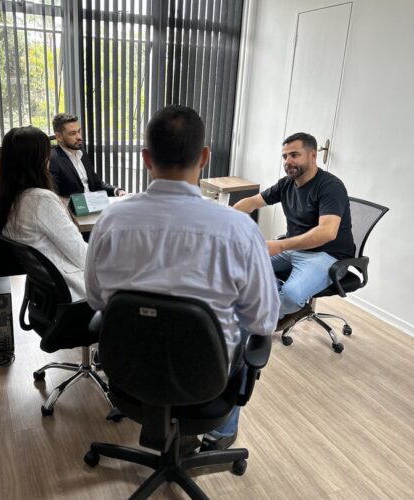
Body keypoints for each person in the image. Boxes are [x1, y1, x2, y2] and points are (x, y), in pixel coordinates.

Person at [85, 105, 279, 452]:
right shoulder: (239, 230)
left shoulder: (110, 222)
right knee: (247, 325)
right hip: (208, 378)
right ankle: (218, 435)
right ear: (204, 157)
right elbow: (264, 318)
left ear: (146, 158)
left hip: (129, 372)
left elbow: (97, 301)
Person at [234, 132, 355, 330]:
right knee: (238, 266)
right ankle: (279, 302)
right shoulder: (286, 184)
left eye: (294, 155)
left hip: (329, 256)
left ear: (312, 156)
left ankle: (285, 306)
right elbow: (252, 202)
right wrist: (225, 217)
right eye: (285, 156)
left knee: (290, 296)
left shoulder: (330, 187)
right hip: (295, 250)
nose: (288, 161)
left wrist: (280, 245)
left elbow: (327, 232)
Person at [0, 126, 91, 310]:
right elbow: (83, 257)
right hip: (75, 296)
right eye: (47, 153)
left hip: (49, 301)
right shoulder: (40, 200)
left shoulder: (6, 199)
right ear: (38, 160)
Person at [50, 113, 126, 198]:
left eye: (79, 131)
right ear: (59, 136)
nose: (79, 137)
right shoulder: (53, 159)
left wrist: (116, 191)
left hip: (94, 205)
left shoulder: (82, 153)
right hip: (73, 209)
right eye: (72, 133)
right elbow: (54, 197)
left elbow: (96, 184)